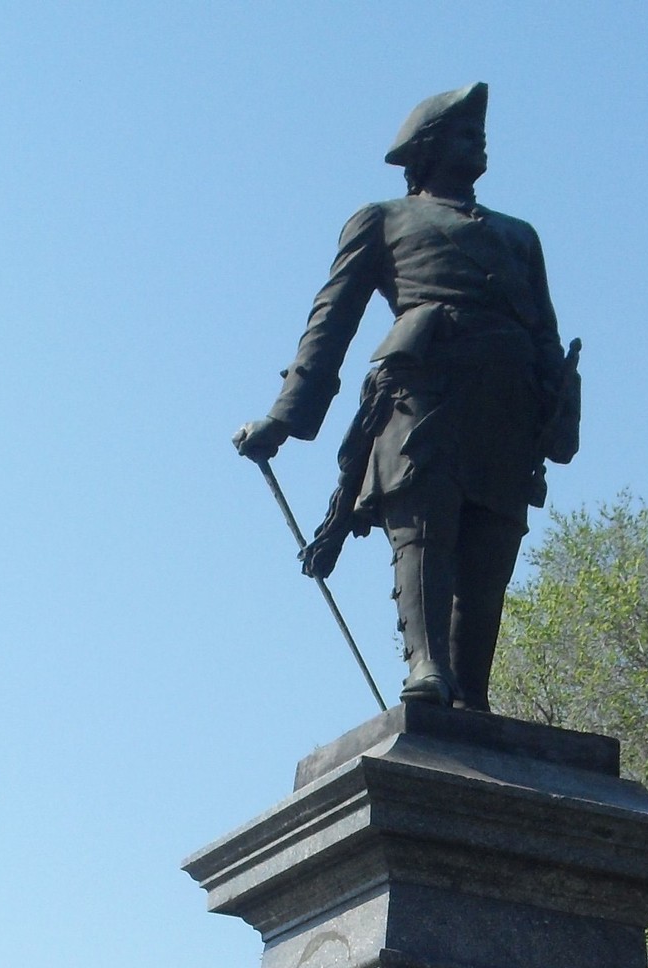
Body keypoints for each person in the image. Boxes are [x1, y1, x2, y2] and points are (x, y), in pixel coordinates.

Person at [235, 84, 579, 711]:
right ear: (427, 147)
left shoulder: (519, 236)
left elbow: (546, 334)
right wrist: (284, 418)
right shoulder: (383, 220)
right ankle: (427, 666)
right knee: (425, 526)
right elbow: (330, 321)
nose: (478, 140)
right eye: (462, 132)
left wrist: (560, 416)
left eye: (479, 133)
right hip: (425, 396)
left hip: (506, 405)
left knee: (492, 545)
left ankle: (471, 690)